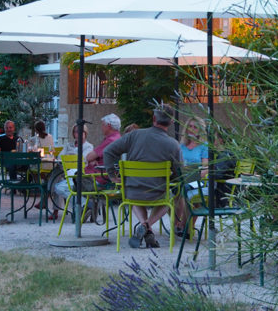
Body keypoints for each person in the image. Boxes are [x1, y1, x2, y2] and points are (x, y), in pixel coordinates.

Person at [104, 104, 182, 249]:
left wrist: (112, 175)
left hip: (132, 192)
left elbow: (108, 151)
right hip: (157, 193)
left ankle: (144, 226)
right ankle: (147, 225)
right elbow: (179, 175)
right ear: (171, 122)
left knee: (135, 197)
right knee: (168, 199)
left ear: (153, 118)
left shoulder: (134, 135)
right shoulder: (173, 145)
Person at [51, 124, 93, 220]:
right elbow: (60, 157)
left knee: (59, 187)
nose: (77, 133)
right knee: (57, 181)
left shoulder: (89, 146)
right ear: (73, 134)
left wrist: (70, 156)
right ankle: (85, 203)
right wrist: (71, 157)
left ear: (85, 133)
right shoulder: (68, 145)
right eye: (75, 131)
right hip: (67, 173)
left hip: (79, 175)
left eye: (80, 131)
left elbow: (83, 160)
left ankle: (83, 205)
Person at [175, 117, 209, 235]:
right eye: (190, 126)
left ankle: (184, 225)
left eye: (195, 127)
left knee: (188, 195)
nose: (192, 129)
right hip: (181, 179)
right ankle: (178, 224)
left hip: (197, 180)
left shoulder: (204, 146)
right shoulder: (181, 146)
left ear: (200, 130)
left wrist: (195, 176)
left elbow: (205, 167)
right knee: (169, 195)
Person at [85, 113, 121, 188]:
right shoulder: (119, 138)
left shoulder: (110, 141)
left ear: (108, 126)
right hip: (108, 175)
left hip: (99, 178)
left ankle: (84, 200)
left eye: (103, 125)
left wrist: (93, 159)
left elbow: (88, 157)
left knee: (62, 187)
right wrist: (94, 159)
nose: (101, 128)